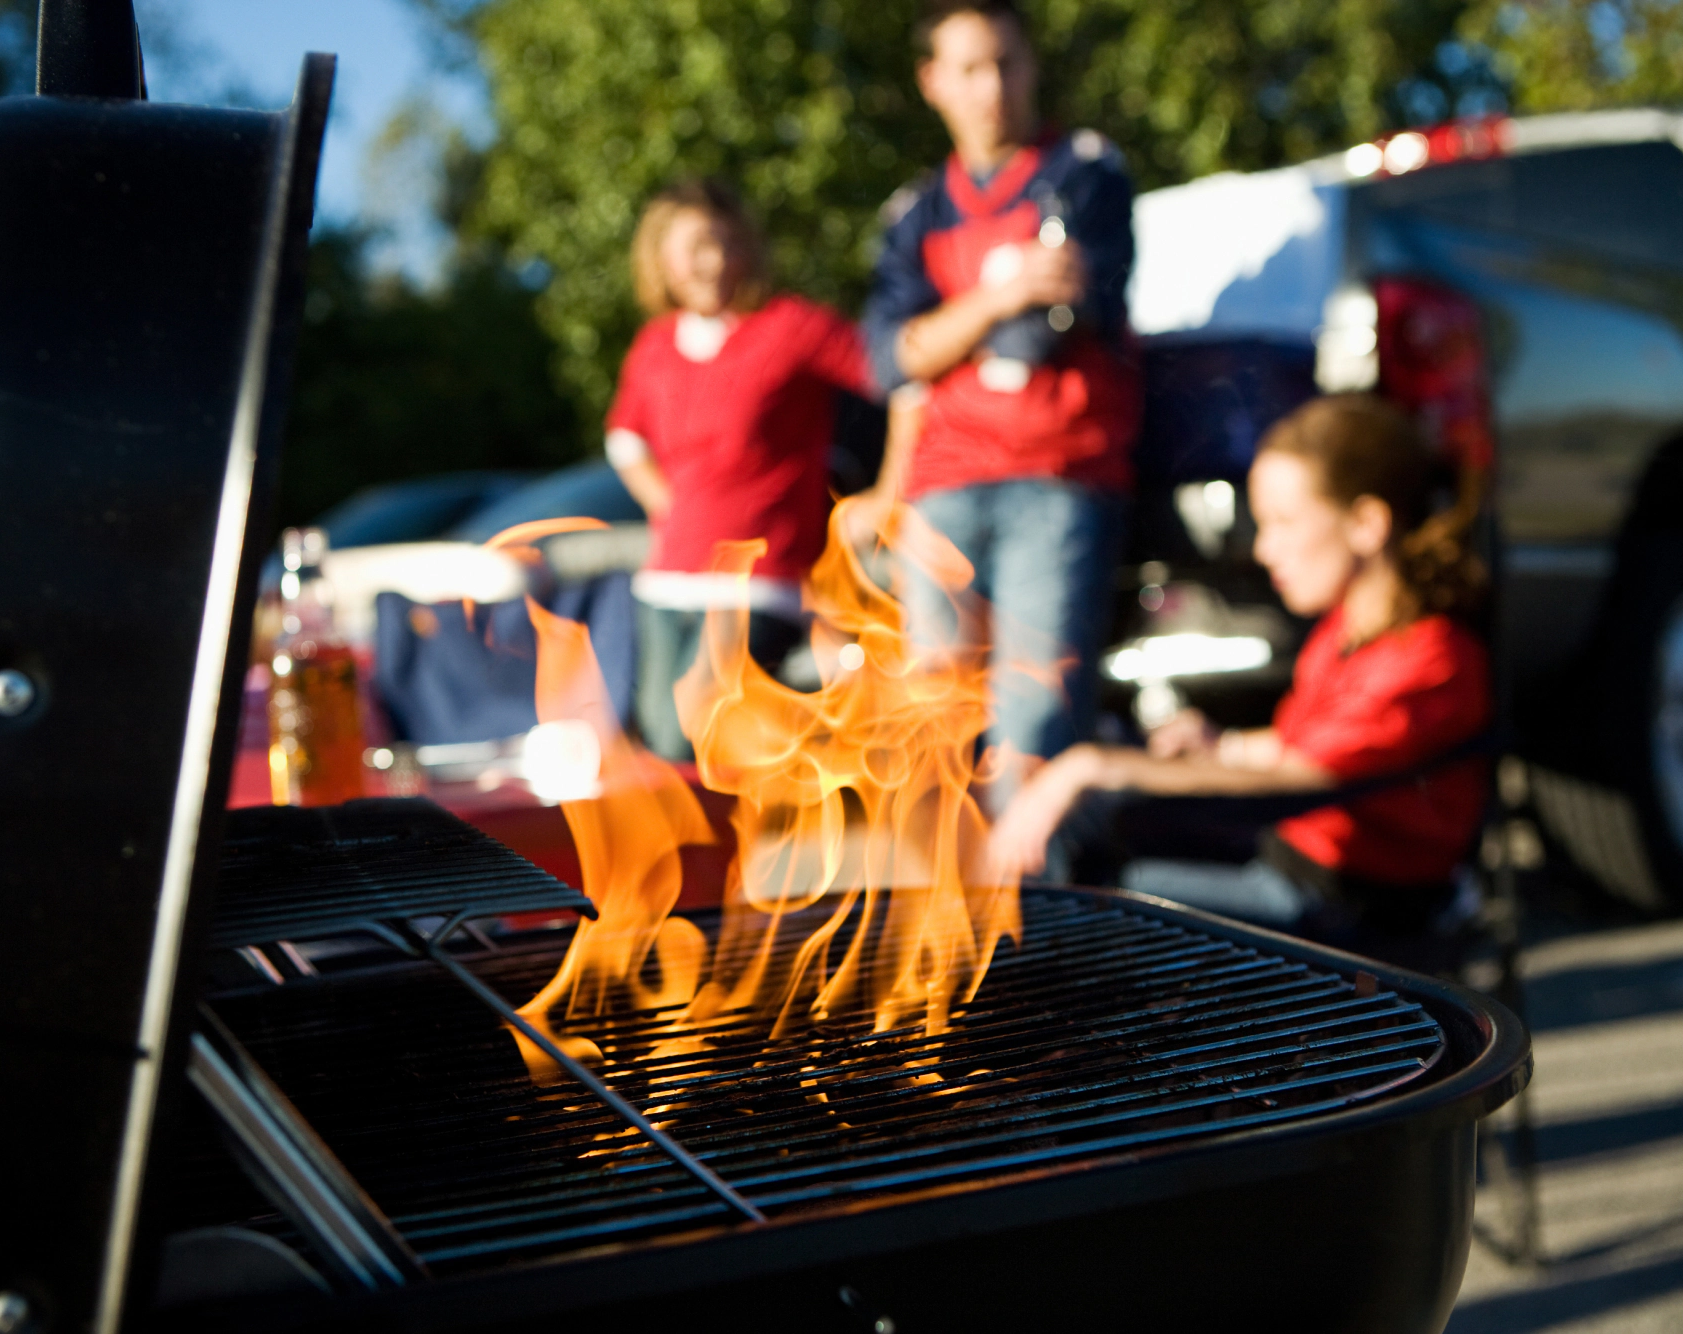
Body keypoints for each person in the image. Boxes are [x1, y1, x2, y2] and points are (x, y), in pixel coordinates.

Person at [987, 394, 1492, 939]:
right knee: (1085, 832)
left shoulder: (1430, 658)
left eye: (1282, 522)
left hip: (1347, 903)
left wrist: (1096, 766)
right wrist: (1218, 743)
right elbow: (1301, 745)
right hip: (1290, 859)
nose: (1264, 549)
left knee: (1090, 899)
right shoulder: (1346, 631)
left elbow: (1298, 777)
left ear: (1367, 523)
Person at [861, 0, 1139, 806]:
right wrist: (996, 297)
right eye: (971, 68)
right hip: (939, 490)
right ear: (932, 82)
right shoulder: (915, 213)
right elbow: (887, 361)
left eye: (1008, 62)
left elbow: (1053, 323)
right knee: (932, 738)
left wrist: (944, 334)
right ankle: (950, 930)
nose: (994, 87)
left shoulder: (1085, 173)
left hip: (1057, 479)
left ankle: (1042, 926)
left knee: (1031, 735)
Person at [607, 178, 873, 760]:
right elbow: (624, 438)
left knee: (686, 732)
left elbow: (896, 375)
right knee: (658, 740)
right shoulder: (654, 346)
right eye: (693, 246)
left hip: (759, 579)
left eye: (722, 243)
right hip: (667, 579)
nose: (710, 260)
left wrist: (887, 493)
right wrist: (667, 504)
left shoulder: (791, 327)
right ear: (662, 258)